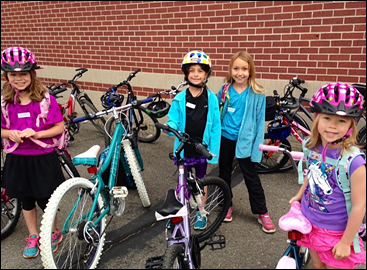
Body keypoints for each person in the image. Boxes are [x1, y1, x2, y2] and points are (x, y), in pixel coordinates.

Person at [289, 83, 366, 269]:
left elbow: (359, 205)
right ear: (316, 118)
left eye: (341, 121)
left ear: (351, 125)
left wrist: (346, 241)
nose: (332, 126)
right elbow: (311, 175)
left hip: (338, 232)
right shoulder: (312, 148)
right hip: (311, 223)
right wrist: (300, 195)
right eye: (326, 118)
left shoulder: (354, 162)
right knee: (317, 264)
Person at [1, 47, 65, 259]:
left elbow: (59, 127)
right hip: (18, 158)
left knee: (46, 199)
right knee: (26, 200)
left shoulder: (45, 100)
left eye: (23, 74)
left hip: (43, 158)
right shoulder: (4, 102)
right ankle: (33, 234)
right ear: (6, 77)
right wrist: (9, 133)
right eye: (13, 75)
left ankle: (53, 232)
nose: (19, 79)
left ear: (32, 74)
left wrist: (38, 133)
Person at [217, 51, 276, 233]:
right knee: (224, 173)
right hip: (225, 137)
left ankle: (262, 212)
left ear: (250, 70)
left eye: (244, 68)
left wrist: (257, 147)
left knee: (251, 176)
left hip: (246, 140)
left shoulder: (257, 92)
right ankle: (226, 204)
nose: (240, 73)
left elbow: (259, 124)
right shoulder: (225, 89)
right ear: (231, 70)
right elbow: (218, 113)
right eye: (236, 68)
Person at [164, 50, 221, 230]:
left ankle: (201, 212)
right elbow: (173, 118)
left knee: (200, 182)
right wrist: (170, 126)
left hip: (201, 149)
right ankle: (180, 210)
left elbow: (216, 127)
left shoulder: (211, 98)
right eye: (192, 71)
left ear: (206, 74)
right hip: (183, 148)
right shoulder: (180, 98)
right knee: (182, 181)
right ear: (186, 74)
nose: (196, 74)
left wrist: (215, 151)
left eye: (200, 71)